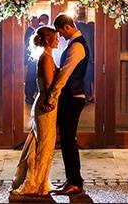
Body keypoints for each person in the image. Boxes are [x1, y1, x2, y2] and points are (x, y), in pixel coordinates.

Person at [42, 13, 89, 196]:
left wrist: (52, 97)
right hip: (72, 96)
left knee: (68, 140)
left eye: (60, 32)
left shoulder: (77, 46)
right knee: (68, 139)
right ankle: (73, 180)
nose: (60, 36)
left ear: (67, 27)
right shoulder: (75, 44)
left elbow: (64, 75)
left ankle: (75, 182)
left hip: (73, 97)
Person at [10, 26, 59, 196]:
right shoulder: (45, 58)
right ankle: (35, 182)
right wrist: (50, 100)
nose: (58, 40)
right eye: (56, 38)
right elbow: (48, 85)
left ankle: (41, 180)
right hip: (46, 105)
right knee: (44, 143)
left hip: (45, 103)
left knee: (43, 141)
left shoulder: (47, 57)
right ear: (48, 41)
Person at [24, 16, 40, 105]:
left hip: (33, 58)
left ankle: (30, 95)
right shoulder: (30, 31)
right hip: (31, 58)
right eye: (36, 21)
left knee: (32, 76)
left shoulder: (32, 31)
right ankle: (29, 96)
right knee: (31, 76)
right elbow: (28, 45)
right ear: (32, 22)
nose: (37, 23)